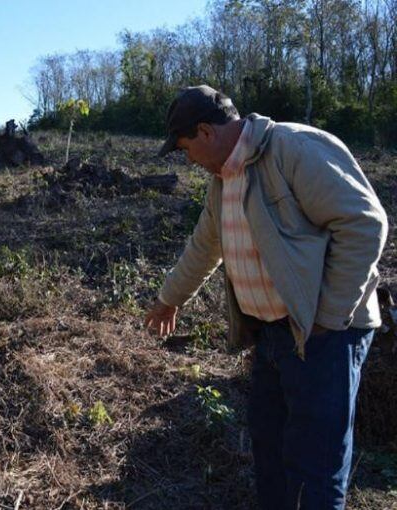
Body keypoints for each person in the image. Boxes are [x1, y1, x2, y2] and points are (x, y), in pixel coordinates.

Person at [144, 85, 388, 509]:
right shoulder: (224, 179)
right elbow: (205, 246)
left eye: (185, 149)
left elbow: (365, 224)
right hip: (273, 336)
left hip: (327, 335)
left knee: (315, 466)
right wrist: (170, 298)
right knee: (271, 451)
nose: (187, 161)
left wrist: (326, 319)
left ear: (206, 132)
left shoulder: (294, 149)